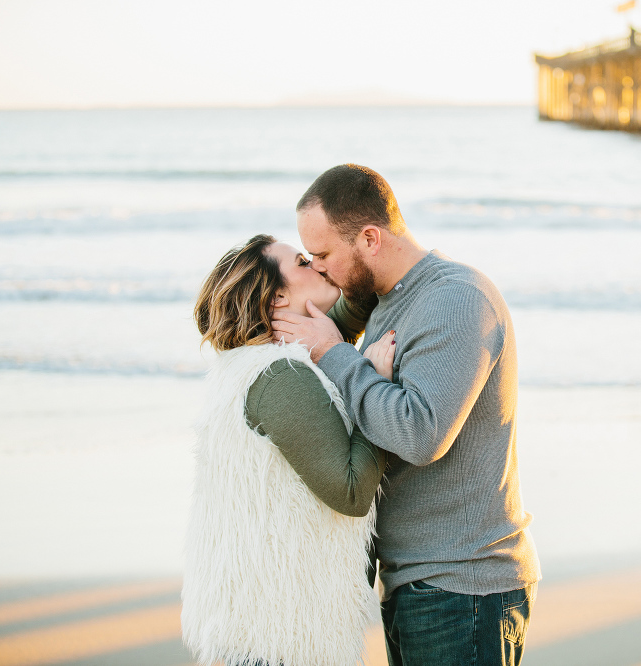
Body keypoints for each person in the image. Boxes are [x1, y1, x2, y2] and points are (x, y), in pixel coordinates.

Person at [272, 164, 541, 666]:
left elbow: (420, 434)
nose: (320, 267)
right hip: (415, 582)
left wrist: (336, 354)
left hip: (463, 585)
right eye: (309, 258)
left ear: (370, 238)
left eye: (325, 255)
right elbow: (312, 327)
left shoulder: (455, 300)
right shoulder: (380, 299)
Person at [182, 234, 396, 666]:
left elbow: (347, 310)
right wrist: (374, 384)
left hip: (250, 628)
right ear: (278, 298)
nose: (317, 265)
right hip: (281, 640)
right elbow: (351, 493)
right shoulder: (281, 377)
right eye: (302, 262)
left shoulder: (245, 366)